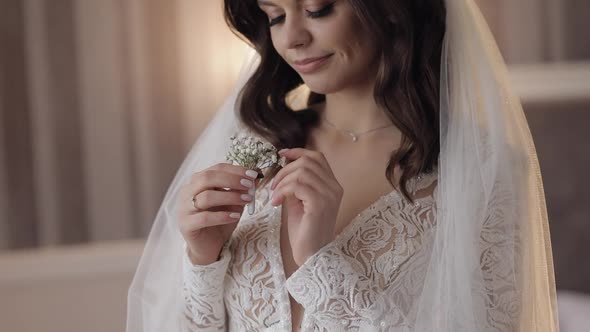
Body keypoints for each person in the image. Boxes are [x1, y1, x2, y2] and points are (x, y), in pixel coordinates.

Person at [127, 0, 559, 331]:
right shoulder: (255, 148)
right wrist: (204, 258)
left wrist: (320, 261)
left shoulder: (480, 173)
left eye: (318, 9)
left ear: (388, 9)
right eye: (275, 15)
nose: (292, 37)